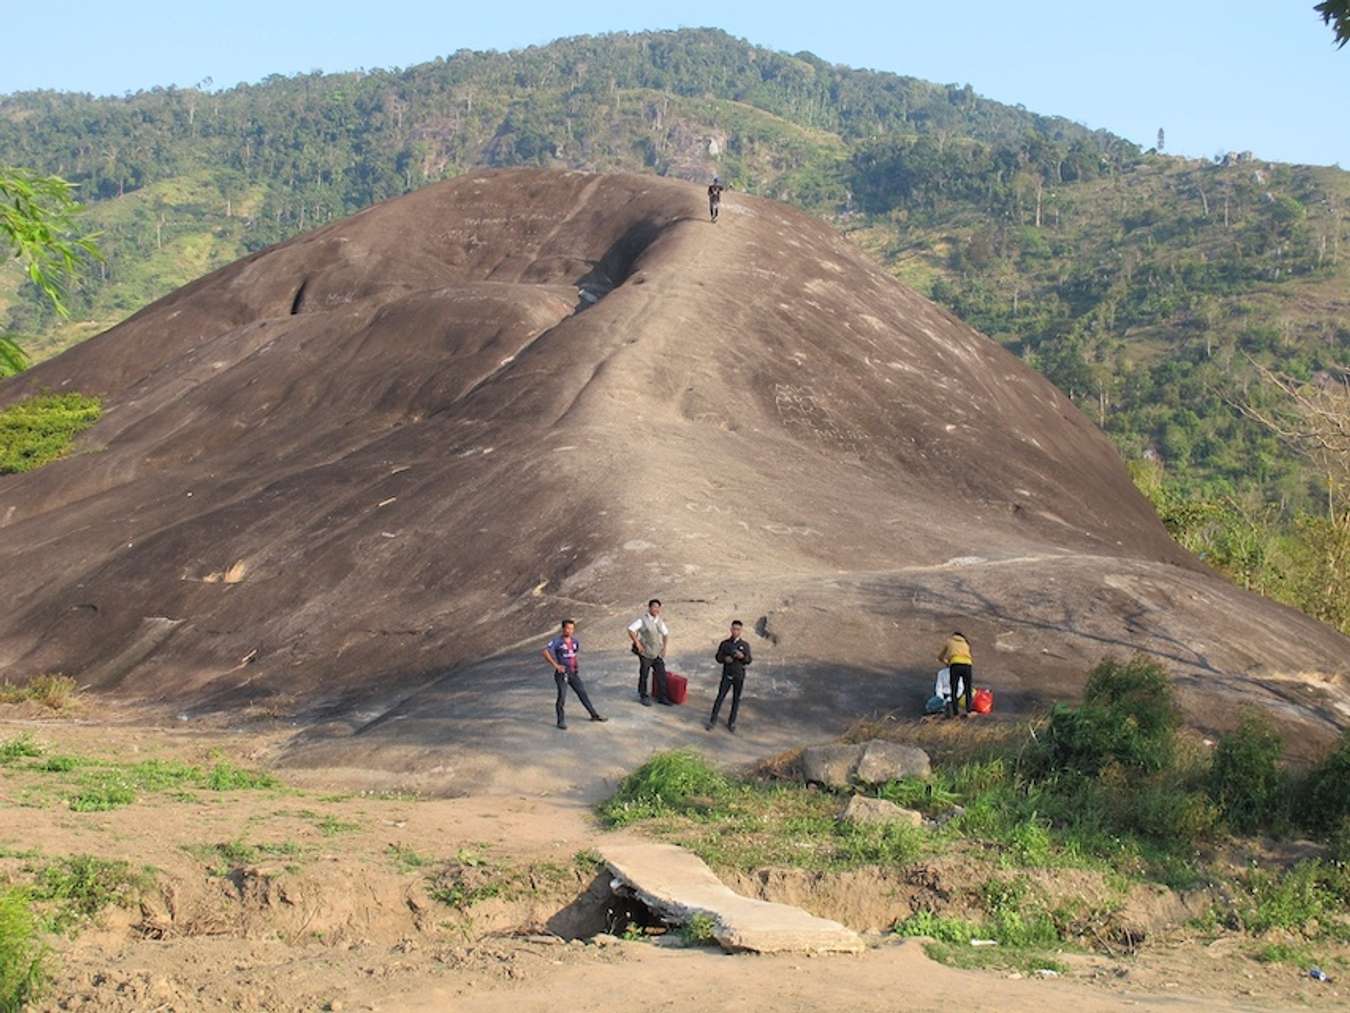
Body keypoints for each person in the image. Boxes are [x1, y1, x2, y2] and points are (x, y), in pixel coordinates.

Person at [543, 619, 606, 730]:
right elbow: (545, 651)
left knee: (582, 693)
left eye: (572, 628)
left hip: (573, 673)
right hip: (562, 673)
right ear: (563, 629)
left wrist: (576, 666)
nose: (570, 631)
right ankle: (560, 721)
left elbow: (574, 655)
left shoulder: (575, 642)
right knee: (562, 697)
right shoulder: (557, 641)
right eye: (568, 628)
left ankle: (594, 715)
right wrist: (556, 665)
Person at [706, 619, 752, 733]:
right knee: (720, 697)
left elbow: (749, 660)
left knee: (736, 700)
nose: (735, 631)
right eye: (734, 629)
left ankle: (732, 722)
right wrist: (724, 659)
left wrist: (742, 657)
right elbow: (718, 657)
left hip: (739, 675)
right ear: (731, 629)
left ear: (741, 631)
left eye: (738, 629)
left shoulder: (745, 645)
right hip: (727, 674)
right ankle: (712, 721)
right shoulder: (725, 644)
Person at [627, 599, 671, 706]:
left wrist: (664, 648)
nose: (656, 609)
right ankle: (643, 696)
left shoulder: (659, 621)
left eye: (658, 607)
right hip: (645, 652)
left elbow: (665, 634)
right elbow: (631, 629)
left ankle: (662, 697)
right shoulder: (642, 620)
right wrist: (637, 643)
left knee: (662, 674)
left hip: (656, 653)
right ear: (649, 608)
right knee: (644, 674)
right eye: (654, 607)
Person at [938, 631, 974, 718]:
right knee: (968, 688)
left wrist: (946, 662)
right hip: (967, 665)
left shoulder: (949, 641)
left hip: (955, 664)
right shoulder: (966, 643)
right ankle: (969, 711)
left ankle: (955, 712)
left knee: (954, 688)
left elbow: (940, 656)